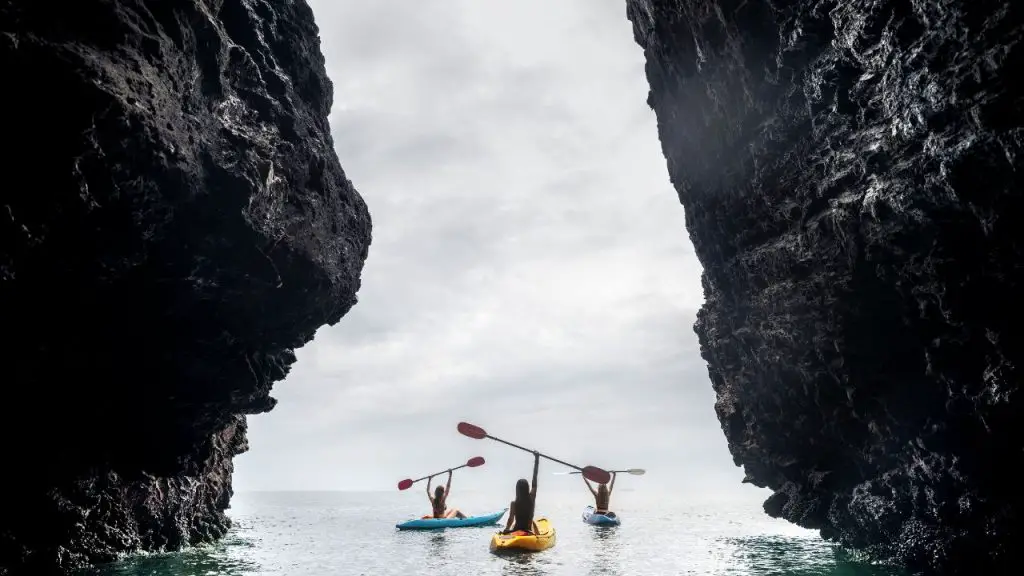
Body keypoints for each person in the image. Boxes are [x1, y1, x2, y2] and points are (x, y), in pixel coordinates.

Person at [502, 451, 540, 534]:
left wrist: (507, 529)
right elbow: (534, 480)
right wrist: (537, 459)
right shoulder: (531, 498)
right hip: (528, 531)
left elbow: (511, 519)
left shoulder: (514, 503)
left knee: (510, 529)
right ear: (527, 488)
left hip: (515, 530)